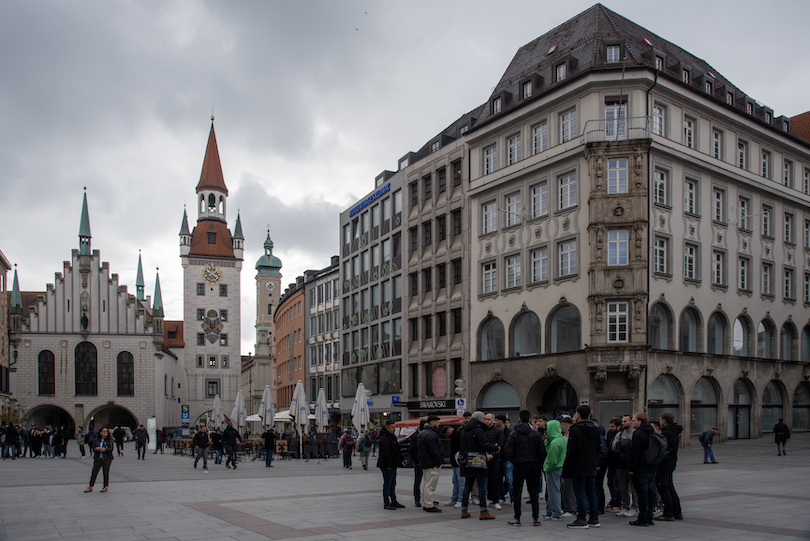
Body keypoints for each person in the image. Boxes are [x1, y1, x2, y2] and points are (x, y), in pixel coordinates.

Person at [562, 405, 601, 529]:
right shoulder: (595, 429)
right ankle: (594, 518)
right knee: (591, 491)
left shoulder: (575, 430)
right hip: (591, 464)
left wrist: (567, 466)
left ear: (578, 414)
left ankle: (581, 518)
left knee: (580, 492)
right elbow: (598, 448)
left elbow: (571, 450)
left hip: (579, 465)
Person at [505, 409, 545, 526]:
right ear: (529, 420)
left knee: (517, 491)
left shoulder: (513, 434)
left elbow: (508, 450)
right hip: (532, 465)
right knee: (534, 492)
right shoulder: (535, 434)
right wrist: (536, 460)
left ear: (519, 419)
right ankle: (535, 518)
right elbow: (542, 451)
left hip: (518, 465)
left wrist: (515, 460)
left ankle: (517, 517)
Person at [460, 411, 498, 520]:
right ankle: (483, 511)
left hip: (468, 461)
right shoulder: (479, 430)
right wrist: (495, 448)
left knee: (468, 486)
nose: (485, 420)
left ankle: (464, 509)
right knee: (482, 486)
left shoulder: (465, 430)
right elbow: (484, 445)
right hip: (479, 461)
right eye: (484, 418)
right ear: (480, 419)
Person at [628, 412, 656, 526]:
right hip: (651, 466)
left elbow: (635, 453)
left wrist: (631, 468)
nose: (632, 422)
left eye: (633, 420)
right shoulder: (651, 432)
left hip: (641, 468)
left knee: (642, 493)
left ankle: (643, 518)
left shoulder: (638, 434)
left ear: (639, 422)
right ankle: (649, 516)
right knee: (650, 492)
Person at [656, 412, 683, 521]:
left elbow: (662, 449)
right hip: (670, 462)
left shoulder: (666, 433)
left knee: (664, 487)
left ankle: (668, 512)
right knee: (670, 486)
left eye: (661, 419)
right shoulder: (673, 432)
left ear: (664, 421)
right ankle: (677, 512)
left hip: (664, 463)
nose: (660, 421)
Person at [612, 415, 638, 517]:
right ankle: (625, 506)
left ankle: (635, 507)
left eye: (625, 421)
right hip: (621, 465)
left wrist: (623, 444)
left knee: (633, 488)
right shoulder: (620, 434)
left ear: (631, 422)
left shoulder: (635, 433)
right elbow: (614, 447)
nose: (623, 423)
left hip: (631, 465)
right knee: (623, 488)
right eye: (622, 421)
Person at [416, 415, 443, 513]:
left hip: (425, 462)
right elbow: (434, 451)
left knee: (426, 483)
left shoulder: (422, 433)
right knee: (430, 485)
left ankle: (425, 502)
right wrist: (438, 462)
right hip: (431, 463)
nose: (439, 424)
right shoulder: (431, 435)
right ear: (432, 423)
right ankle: (428, 505)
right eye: (437, 422)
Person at [445, 411, 470, 508]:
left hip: (459, 462)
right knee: (456, 481)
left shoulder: (458, 434)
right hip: (456, 462)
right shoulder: (457, 433)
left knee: (460, 482)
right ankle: (455, 498)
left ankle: (460, 499)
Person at [377, 418, 404, 510]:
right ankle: (386, 502)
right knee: (388, 484)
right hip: (387, 465)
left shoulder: (391, 436)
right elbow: (386, 453)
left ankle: (394, 500)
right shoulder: (384, 438)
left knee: (392, 483)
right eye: (392, 427)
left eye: (394, 427)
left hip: (393, 464)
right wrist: (389, 464)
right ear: (387, 428)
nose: (394, 429)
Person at [542, 419, 565, 521]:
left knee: (553, 491)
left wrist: (546, 467)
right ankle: (550, 510)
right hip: (559, 467)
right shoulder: (560, 439)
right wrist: (547, 441)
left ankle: (556, 512)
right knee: (553, 490)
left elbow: (552, 459)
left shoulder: (555, 443)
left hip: (553, 469)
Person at [483, 413, 505, 510]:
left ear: (493, 420)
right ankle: (489, 498)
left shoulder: (498, 431)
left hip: (495, 459)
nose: (487, 421)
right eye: (486, 419)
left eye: (489, 419)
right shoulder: (482, 430)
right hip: (483, 458)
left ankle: (495, 499)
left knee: (495, 479)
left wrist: (492, 455)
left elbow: (500, 446)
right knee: (485, 480)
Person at [84, 427, 114, 493]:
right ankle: (90, 486)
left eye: (106, 431)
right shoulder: (96, 440)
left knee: (105, 472)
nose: (105, 432)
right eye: (103, 431)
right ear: (100, 432)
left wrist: (105, 449)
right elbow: (93, 448)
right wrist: (97, 449)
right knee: (94, 472)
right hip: (98, 458)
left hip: (106, 458)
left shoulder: (110, 440)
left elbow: (111, 449)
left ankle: (105, 486)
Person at [494, 414, 513, 505]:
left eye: (496, 420)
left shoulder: (509, 433)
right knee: (499, 480)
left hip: (507, 459)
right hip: (498, 459)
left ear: (501, 422)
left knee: (510, 480)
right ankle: (501, 496)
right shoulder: (495, 432)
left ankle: (513, 498)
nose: (494, 422)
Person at [410, 419, 427, 506]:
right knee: (418, 481)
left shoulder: (427, 434)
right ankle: (417, 499)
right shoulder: (415, 436)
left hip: (427, 462)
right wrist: (417, 461)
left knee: (428, 482)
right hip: (419, 462)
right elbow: (412, 450)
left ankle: (427, 498)